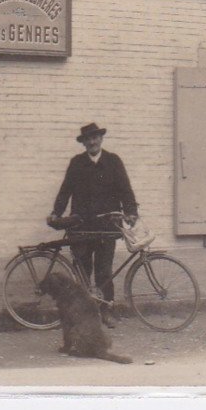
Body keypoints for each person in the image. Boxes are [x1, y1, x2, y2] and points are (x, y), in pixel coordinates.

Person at [48, 122, 138, 328]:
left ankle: (106, 311)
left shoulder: (114, 161)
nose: (92, 142)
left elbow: (125, 189)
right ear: (84, 143)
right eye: (88, 139)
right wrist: (56, 212)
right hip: (81, 226)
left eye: (95, 137)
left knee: (104, 272)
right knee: (83, 272)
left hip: (107, 226)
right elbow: (65, 191)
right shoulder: (76, 163)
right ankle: (83, 315)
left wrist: (131, 211)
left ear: (101, 139)